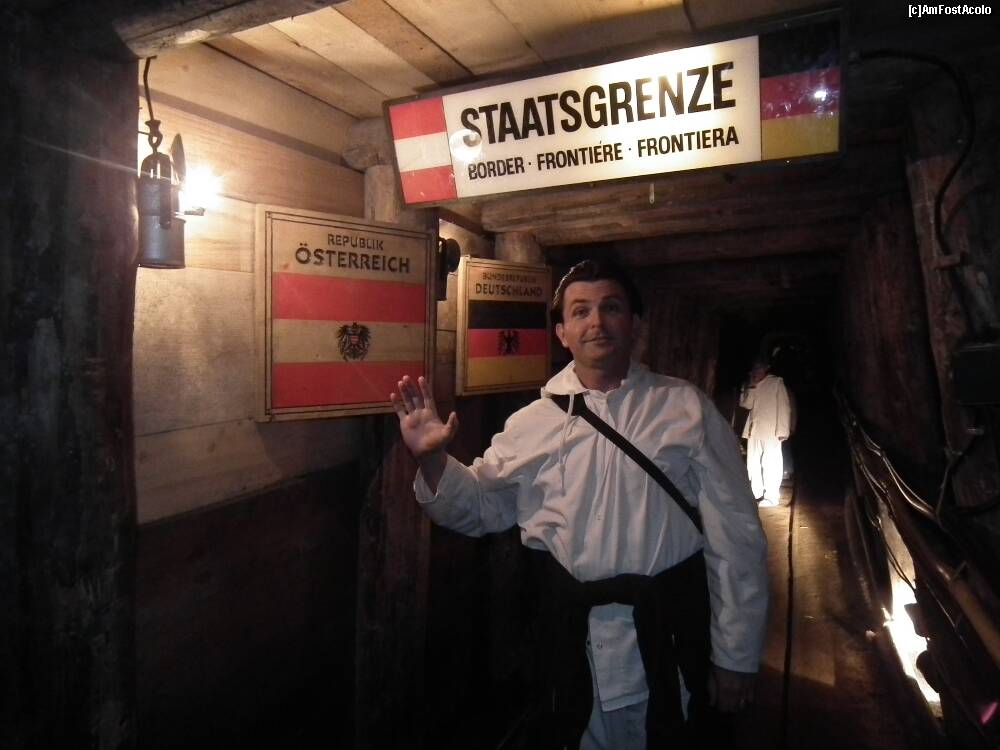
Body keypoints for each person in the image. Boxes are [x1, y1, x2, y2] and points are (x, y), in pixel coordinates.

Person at [391, 260, 768, 750]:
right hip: (570, 642)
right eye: (581, 311)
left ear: (635, 323)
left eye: (611, 307)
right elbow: (482, 507)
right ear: (562, 333)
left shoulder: (684, 408)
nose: (596, 322)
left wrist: (735, 655)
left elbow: (735, 534)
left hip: (668, 635)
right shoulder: (532, 423)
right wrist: (433, 462)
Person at [739, 359, 793, 506]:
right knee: (753, 463)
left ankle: (771, 496)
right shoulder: (752, 385)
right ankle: (756, 493)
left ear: (765, 369)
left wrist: (782, 430)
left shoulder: (776, 383)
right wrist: (750, 387)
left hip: (771, 431)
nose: (756, 372)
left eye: (759, 369)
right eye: (755, 370)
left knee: (770, 463)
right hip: (754, 431)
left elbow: (784, 406)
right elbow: (746, 404)